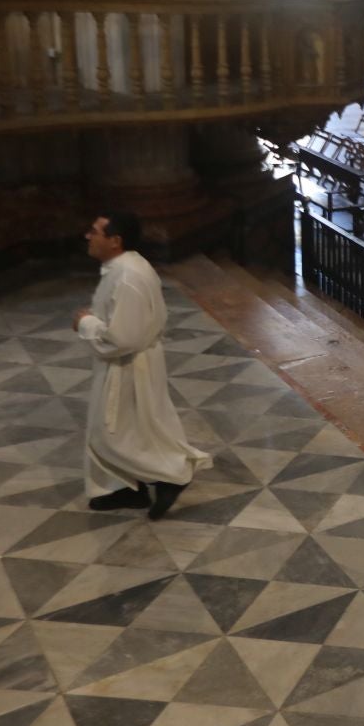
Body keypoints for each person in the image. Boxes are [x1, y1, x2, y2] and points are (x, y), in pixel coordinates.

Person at [75, 212, 211, 518]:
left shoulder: (128, 276)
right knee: (131, 427)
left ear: (115, 241)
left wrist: (86, 324)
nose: (88, 236)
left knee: (112, 434)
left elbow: (123, 338)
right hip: (127, 362)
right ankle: (125, 489)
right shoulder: (125, 266)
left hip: (129, 364)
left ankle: (173, 476)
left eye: (94, 231)